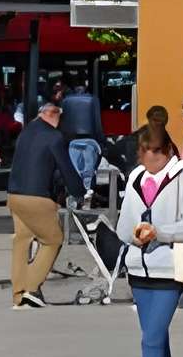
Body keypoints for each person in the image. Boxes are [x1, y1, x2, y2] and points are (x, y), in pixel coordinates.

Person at [116, 115, 183, 357]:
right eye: (144, 157)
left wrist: (161, 232)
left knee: (151, 341)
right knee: (157, 341)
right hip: (139, 272)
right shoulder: (135, 179)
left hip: (170, 271)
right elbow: (123, 226)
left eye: (156, 155)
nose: (150, 162)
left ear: (168, 151)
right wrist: (136, 234)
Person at [6, 93, 85, 308]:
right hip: (37, 197)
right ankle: (31, 287)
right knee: (53, 240)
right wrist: (79, 191)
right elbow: (66, 169)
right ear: (54, 115)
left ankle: (18, 294)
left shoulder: (26, 133)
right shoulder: (54, 137)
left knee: (21, 240)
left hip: (14, 195)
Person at [60, 72, 108, 198]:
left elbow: (63, 123)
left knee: (75, 171)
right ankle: (87, 193)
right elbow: (97, 123)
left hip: (71, 140)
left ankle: (76, 195)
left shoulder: (65, 101)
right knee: (88, 171)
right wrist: (102, 141)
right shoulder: (92, 100)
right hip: (89, 140)